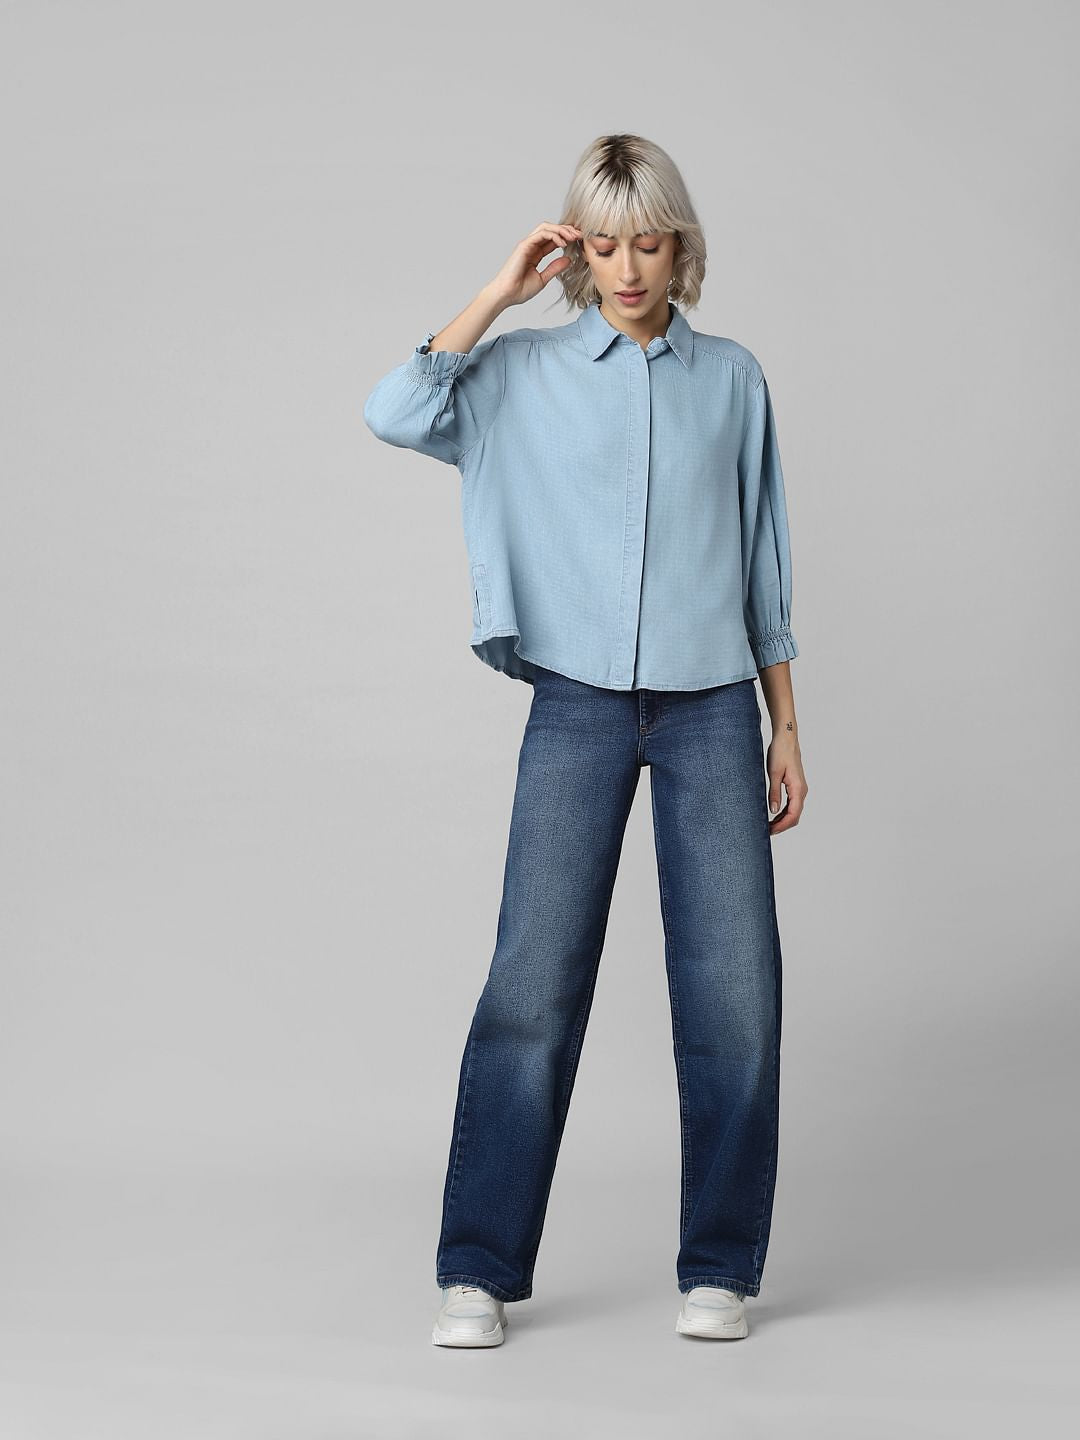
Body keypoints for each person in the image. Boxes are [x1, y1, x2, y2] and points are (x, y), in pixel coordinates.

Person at [363, 133, 808, 1347]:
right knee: (533, 985)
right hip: (578, 705)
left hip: (713, 707)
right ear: (577, 251)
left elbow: (762, 561)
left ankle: (719, 1270)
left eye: (648, 242)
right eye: (603, 245)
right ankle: (477, 1270)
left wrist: (785, 723)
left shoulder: (733, 380)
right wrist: (500, 290)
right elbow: (394, 411)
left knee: (736, 994)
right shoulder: (521, 371)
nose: (627, 268)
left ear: (680, 246)